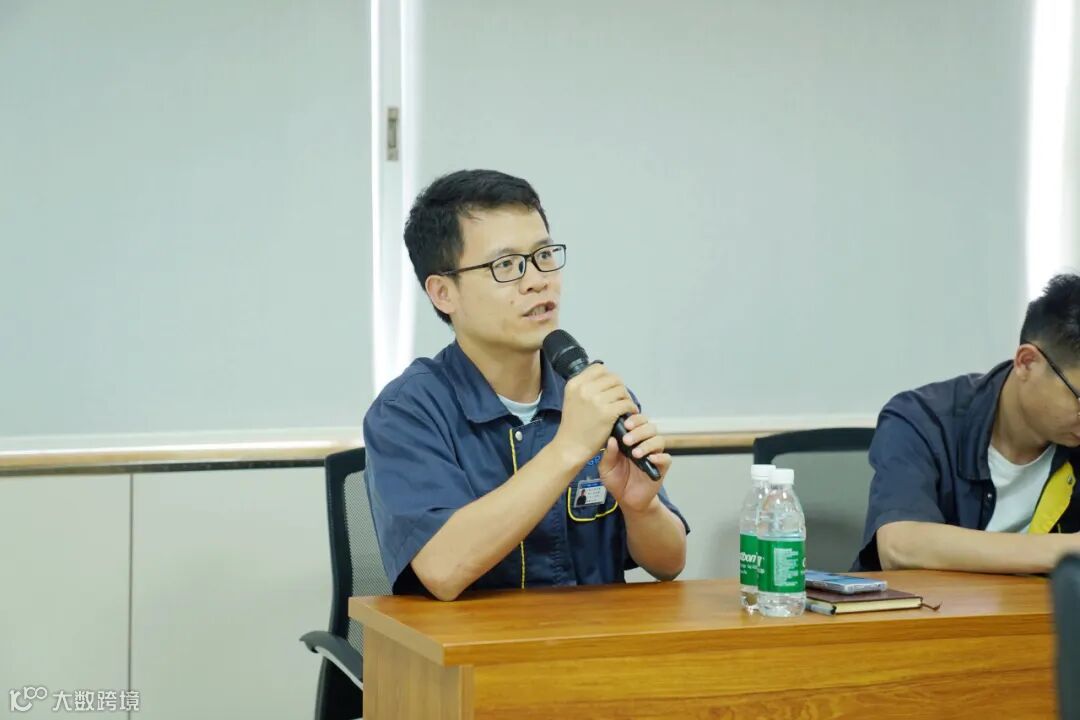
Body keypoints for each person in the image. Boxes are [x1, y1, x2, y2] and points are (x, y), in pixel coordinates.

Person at [363, 169, 689, 601]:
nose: (537, 280)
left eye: (544, 256)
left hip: (592, 639)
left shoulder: (592, 394)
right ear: (443, 293)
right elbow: (442, 570)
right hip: (475, 643)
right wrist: (568, 449)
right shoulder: (409, 411)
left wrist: (641, 507)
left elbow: (669, 564)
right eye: (506, 265)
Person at [857, 273, 1080, 573]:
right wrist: (1067, 549)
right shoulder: (921, 420)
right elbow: (900, 546)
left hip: (1035, 605)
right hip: (927, 604)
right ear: (1027, 363)